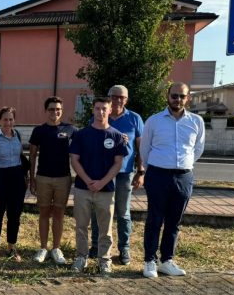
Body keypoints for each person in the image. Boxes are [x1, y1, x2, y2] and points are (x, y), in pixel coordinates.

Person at [140, 82, 205, 279]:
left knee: (174, 221)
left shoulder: (196, 121)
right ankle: (150, 260)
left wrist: (184, 164)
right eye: (174, 95)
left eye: (182, 96)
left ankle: (166, 260)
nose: (178, 99)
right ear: (167, 97)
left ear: (188, 98)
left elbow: (198, 148)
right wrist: (156, 167)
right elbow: (145, 149)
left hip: (184, 176)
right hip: (158, 175)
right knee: (155, 219)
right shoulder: (154, 121)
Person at [69, 97, 127, 275]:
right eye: (97, 108)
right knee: (81, 226)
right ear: (93, 110)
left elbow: (118, 163)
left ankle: (104, 259)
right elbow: (74, 160)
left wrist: (102, 182)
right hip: (82, 188)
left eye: (104, 108)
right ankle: (81, 257)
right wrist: (88, 180)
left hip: (106, 190)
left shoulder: (117, 136)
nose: (100, 112)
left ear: (110, 110)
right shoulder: (81, 135)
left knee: (105, 228)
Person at [89, 85, 145, 265]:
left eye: (122, 97)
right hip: (101, 173)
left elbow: (141, 148)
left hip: (124, 173)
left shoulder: (135, 118)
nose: (118, 100)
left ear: (126, 100)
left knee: (123, 212)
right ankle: (96, 246)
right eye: (114, 96)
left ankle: (124, 248)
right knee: (99, 211)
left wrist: (141, 171)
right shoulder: (99, 116)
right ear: (109, 97)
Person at [29, 96, 77, 265]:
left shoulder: (71, 130)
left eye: (58, 109)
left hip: (63, 178)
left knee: (58, 214)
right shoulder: (39, 131)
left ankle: (56, 248)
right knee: (43, 213)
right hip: (43, 178)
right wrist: (32, 178)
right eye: (51, 109)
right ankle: (43, 248)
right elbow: (32, 156)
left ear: (62, 111)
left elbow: (87, 143)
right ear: (46, 111)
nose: (54, 112)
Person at [0, 107, 27, 261]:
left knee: (14, 215)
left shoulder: (18, 135)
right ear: (0, 120)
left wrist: (25, 178)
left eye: (10, 119)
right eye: (5, 119)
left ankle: (11, 247)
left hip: (17, 179)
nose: (8, 122)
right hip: (0, 178)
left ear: (14, 120)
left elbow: (21, 157)